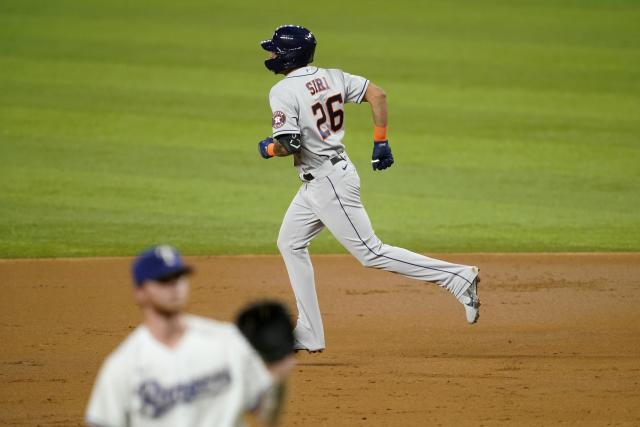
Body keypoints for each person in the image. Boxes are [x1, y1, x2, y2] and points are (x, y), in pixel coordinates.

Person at [257, 25, 481, 354]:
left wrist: (268, 149)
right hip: (327, 177)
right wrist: (380, 141)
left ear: (289, 55)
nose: (272, 55)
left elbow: (289, 143)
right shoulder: (332, 76)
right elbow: (377, 94)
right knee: (290, 242)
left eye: (276, 50)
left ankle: (456, 277)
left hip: (328, 183)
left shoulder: (282, 91)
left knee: (371, 252)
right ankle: (308, 332)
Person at [85, 245, 295, 427]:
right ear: (140, 292)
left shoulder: (227, 340)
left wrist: (279, 373)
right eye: (164, 280)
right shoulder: (122, 366)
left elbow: (265, 413)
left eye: (179, 277)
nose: (175, 286)